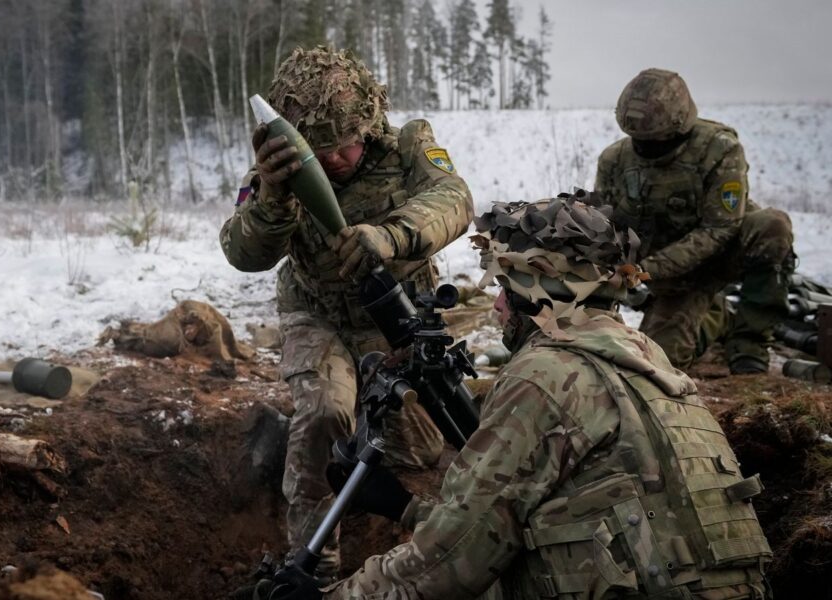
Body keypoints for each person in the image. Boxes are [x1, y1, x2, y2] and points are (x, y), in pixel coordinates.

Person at [267, 195, 771, 599]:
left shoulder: (544, 376)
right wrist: (405, 508)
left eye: (506, 287)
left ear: (540, 294)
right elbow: (550, 522)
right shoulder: (651, 360)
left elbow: (449, 568)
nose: (499, 304)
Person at [219, 46, 474, 578]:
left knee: (424, 451)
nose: (334, 160)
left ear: (369, 122)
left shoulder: (408, 147)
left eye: (345, 145)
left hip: (395, 319)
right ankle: (316, 570)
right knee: (324, 414)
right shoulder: (277, 173)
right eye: (322, 150)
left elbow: (454, 199)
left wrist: (390, 236)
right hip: (318, 315)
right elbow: (243, 253)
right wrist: (271, 200)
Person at [595, 68, 795, 374]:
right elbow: (608, 227)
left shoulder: (719, 149)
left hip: (721, 254)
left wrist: (646, 271)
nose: (646, 150)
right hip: (674, 279)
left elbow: (719, 229)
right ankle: (714, 320)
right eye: (638, 141)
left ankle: (749, 341)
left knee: (772, 226)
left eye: (655, 142)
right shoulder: (615, 160)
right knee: (656, 362)